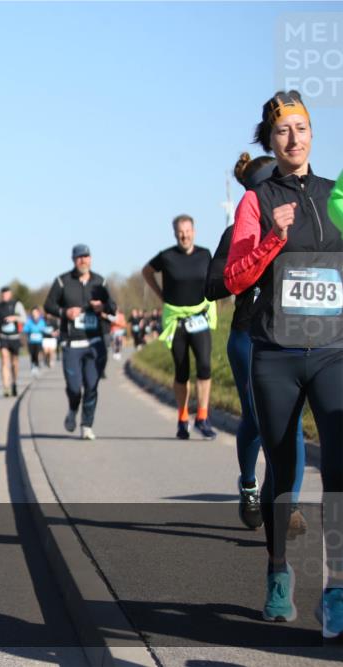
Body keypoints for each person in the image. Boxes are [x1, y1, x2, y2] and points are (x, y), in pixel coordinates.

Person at [224, 91, 342, 633]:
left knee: (338, 469)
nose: (293, 138)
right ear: (269, 141)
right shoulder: (257, 199)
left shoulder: (335, 194)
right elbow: (235, 278)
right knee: (284, 468)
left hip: (333, 350)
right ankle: (277, 572)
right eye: (282, 130)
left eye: (301, 128)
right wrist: (273, 237)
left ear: (312, 133)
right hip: (276, 353)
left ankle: (336, 588)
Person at [205, 152, 306, 534]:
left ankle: (288, 506)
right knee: (257, 418)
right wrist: (254, 264)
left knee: (292, 422)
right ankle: (249, 484)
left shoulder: (303, 226)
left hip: (294, 335)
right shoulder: (237, 232)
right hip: (248, 336)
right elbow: (213, 286)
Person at [142, 215, 218, 440]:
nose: (184, 236)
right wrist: (161, 295)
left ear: (194, 231)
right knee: (181, 370)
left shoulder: (205, 254)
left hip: (200, 318)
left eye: (187, 231)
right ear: (175, 233)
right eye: (180, 232)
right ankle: (183, 418)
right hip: (176, 321)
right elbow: (147, 271)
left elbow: (214, 278)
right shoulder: (167, 256)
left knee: (204, 366)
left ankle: (202, 417)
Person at [43, 244, 115, 441]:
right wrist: (64, 312)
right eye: (79, 257)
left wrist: (102, 306)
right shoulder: (62, 281)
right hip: (71, 344)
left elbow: (113, 307)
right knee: (75, 388)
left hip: (95, 342)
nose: (83, 260)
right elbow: (48, 305)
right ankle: (73, 408)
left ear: (90, 259)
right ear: (73, 260)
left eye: (86, 257)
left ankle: (86, 425)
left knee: (91, 386)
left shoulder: (100, 282)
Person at [0, 285, 26, 397]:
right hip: (3, 337)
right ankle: (6, 387)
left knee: (14, 363)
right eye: (3, 294)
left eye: (6, 294)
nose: (4, 296)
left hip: (15, 337)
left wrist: (14, 318)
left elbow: (24, 319)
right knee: (4, 360)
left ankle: (14, 383)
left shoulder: (17, 304)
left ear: (10, 294)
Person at [22, 307, 47, 375]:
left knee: (37, 353)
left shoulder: (42, 321)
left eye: (36, 312)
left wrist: (41, 330)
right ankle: (33, 365)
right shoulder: (29, 321)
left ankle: (37, 365)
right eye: (33, 312)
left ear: (38, 313)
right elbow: (25, 329)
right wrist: (30, 330)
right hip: (31, 341)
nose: (34, 314)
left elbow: (44, 328)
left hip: (39, 341)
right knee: (32, 354)